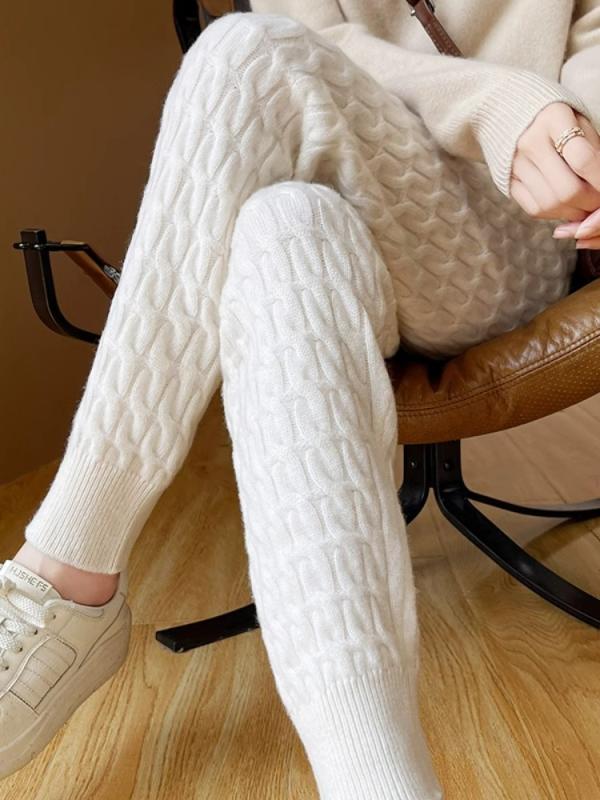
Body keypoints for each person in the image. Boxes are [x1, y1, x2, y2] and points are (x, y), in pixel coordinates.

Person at [1, 1, 599, 797]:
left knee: (243, 52)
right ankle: (375, 777)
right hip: (364, 211)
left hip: (519, 225)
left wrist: (578, 137)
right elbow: (327, 47)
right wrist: (491, 101)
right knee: (284, 227)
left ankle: (66, 576)